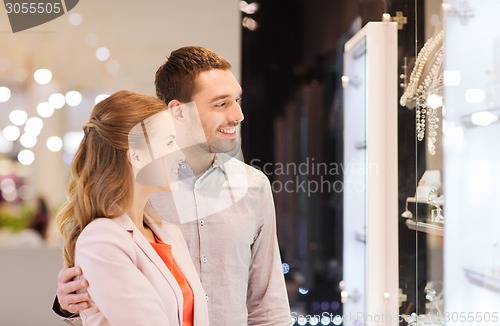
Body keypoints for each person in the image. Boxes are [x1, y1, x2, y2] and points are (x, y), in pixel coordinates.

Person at [55, 47, 291, 325]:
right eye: (220, 103)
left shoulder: (253, 187)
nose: (238, 115)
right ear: (178, 111)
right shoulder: (136, 190)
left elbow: (268, 306)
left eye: (237, 100)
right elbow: (93, 288)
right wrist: (70, 303)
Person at [55, 90, 209, 325]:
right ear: (136, 155)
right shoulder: (102, 239)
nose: (179, 153)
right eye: (169, 142)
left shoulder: (168, 233)